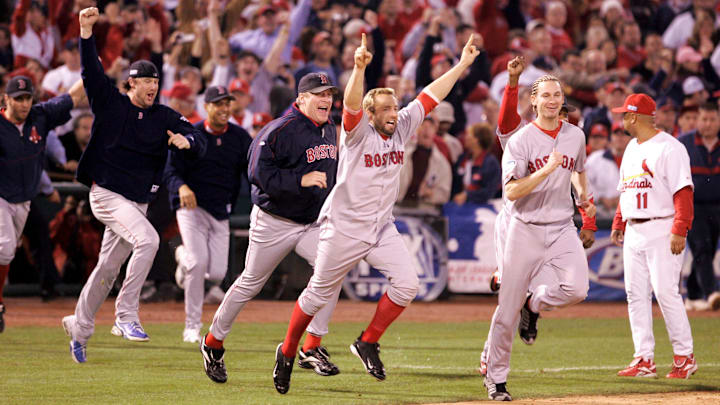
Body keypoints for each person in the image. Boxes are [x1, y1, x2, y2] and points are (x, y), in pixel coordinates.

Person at [271, 33, 480, 395]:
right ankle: (288, 350)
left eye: (393, 106)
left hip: (381, 228)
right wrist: (358, 67)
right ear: (370, 114)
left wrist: (461, 65)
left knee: (408, 285)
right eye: (384, 108)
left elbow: (431, 95)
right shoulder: (356, 133)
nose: (392, 112)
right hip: (344, 227)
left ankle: (367, 341)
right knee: (317, 294)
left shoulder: (403, 125)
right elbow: (351, 103)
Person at [61, 7, 206, 364]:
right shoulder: (111, 103)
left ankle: (79, 327)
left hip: (137, 202)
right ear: (131, 83)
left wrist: (188, 142)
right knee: (150, 240)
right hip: (107, 194)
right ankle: (125, 315)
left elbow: (195, 135)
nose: (152, 86)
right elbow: (91, 71)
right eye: (145, 81)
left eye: (155, 81)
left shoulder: (163, 115)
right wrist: (86, 32)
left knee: (108, 268)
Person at [199, 72, 342, 384]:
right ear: (301, 98)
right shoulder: (279, 129)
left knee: (333, 270)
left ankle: (312, 346)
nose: (326, 100)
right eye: (319, 94)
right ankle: (213, 343)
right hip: (273, 221)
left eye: (329, 94)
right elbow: (257, 174)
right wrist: (299, 181)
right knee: (250, 282)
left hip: (311, 222)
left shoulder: (329, 127)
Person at [485, 72, 595, 400]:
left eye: (556, 95)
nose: (552, 100)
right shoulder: (520, 140)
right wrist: (545, 170)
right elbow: (512, 191)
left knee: (577, 289)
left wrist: (585, 202)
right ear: (533, 101)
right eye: (545, 95)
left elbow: (579, 170)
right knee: (506, 310)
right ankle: (496, 379)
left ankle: (534, 303)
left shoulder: (575, 135)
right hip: (525, 228)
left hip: (561, 226)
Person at [610, 93, 697, 379]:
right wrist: (619, 222)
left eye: (624, 114)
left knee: (665, 292)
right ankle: (643, 358)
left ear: (634, 117)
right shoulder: (632, 149)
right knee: (635, 294)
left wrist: (680, 228)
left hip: (662, 226)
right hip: (635, 228)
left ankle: (685, 356)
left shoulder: (670, 148)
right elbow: (627, 190)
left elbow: (683, 191)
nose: (621, 118)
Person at [164, 85, 253, 344]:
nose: (224, 108)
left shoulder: (238, 136)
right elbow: (170, 172)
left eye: (227, 103)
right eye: (219, 104)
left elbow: (252, 167)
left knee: (215, 274)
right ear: (207, 107)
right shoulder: (192, 133)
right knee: (198, 263)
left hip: (220, 210)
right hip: (192, 208)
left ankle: (182, 258)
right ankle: (191, 325)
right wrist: (181, 187)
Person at [0, 75, 85, 333]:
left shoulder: (40, 115)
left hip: (24, 198)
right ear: (6, 99)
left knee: (9, 251)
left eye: (27, 98)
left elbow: (72, 96)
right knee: (3, 248)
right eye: (18, 99)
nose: (24, 104)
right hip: (1, 195)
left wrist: (91, 65)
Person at [678, 103, 720, 311]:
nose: (708, 124)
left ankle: (693, 294)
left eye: (712, 119)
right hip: (693, 206)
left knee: (709, 250)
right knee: (702, 247)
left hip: (718, 206)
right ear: (698, 120)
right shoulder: (684, 143)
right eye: (704, 119)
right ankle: (712, 292)